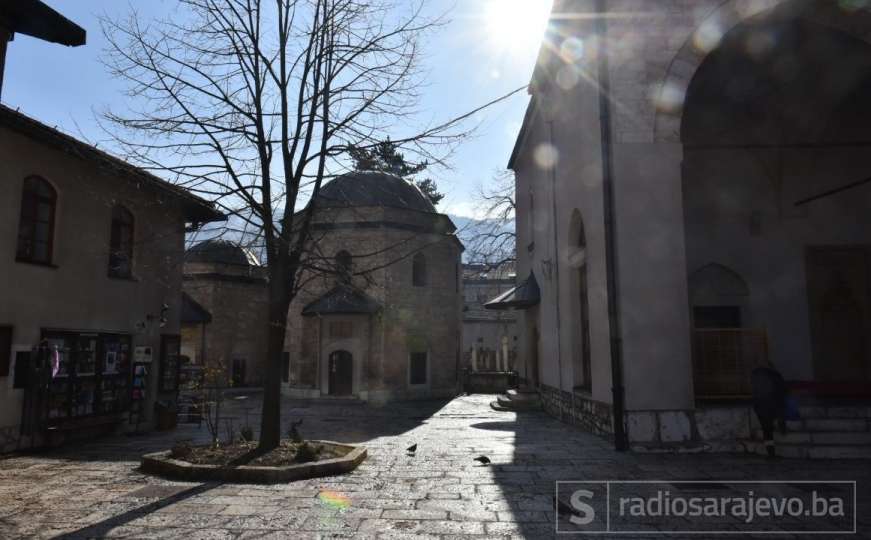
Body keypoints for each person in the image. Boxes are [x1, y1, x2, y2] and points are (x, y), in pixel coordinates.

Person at [751, 363, 788, 458]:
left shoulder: (755, 376)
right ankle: (781, 424)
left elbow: (754, 392)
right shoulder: (775, 375)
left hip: (760, 406)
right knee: (770, 427)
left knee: (766, 431)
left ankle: (770, 452)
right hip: (772, 405)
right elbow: (782, 391)